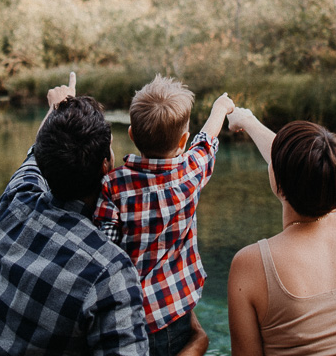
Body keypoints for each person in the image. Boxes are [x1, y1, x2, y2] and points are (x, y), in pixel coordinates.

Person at [0, 74, 209, 356]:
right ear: (106, 165)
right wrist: (196, 347)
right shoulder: (108, 271)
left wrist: (58, 111)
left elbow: (36, 155)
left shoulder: (14, 203)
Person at [225, 112, 336, 356]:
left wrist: (248, 122)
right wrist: (249, 122)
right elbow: (308, 168)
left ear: (276, 179)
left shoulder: (252, 263)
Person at [93, 75, 235, 356]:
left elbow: (103, 252)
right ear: (183, 139)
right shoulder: (191, 173)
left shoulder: (112, 185)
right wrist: (220, 108)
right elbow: (206, 142)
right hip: (177, 312)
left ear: (131, 134)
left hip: (129, 320)